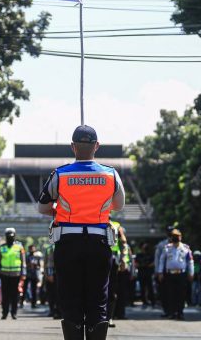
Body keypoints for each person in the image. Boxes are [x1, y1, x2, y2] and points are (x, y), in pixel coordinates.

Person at [38, 125, 126, 340]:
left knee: (70, 299)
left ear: (72, 147)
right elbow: (119, 205)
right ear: (96, 146)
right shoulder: (110, 174)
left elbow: (42, 207)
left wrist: (60, 212)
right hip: (99, 243)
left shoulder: (59, 174)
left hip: (68, 243)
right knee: (97, 299)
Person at [157, 229, 194, 320]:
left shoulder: (186, 248)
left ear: (180, 237)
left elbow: (190, 261)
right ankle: (172, 312)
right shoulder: (167, 248)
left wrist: (191, 273)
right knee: (170, 294)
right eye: (173, 236)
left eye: (177, 236)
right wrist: (160, 272)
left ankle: (180, 312)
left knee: (181, 294)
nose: (175, 238)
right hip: (170, 274)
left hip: (181, 274)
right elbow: (161, 260)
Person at [0, 227, 26, 320]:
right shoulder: (1, 247)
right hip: (4, 274)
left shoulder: (19, 247)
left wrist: (23, 273)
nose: (10, 238)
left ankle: (14, 313)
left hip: (16, 274)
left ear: (14, 236)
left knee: (14, 295)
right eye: (8, 236)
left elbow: (23, 261)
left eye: (11, 236)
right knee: (5, 295)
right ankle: (4, 313)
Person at [114, 225, 134, 321]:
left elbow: (131, 260)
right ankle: (112, 314)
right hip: (114, 270)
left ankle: (121, 313)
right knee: (112, 293)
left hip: (124, 272)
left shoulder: (126, 246)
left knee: (122, 294)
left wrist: (132, 273)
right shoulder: (113, 244)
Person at [154, 225, 175, 317]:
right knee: (165, 292)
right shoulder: (162, 244)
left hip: (174, 271)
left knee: (174, 292)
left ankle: (175, 311)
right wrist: (158, 272)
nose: (170, 233)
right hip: (163, 272)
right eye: (169, 232)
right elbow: (157, 258)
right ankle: (167, 311)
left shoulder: (179, 244)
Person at [135, 243, 155, 309]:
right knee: (142, 288)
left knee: (150, 288)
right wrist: (144, 265)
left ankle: (152, 301)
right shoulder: (139, 255)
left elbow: (153, 263)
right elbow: (136, 264)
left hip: (148, 273)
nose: (145, 248)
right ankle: (144, 301)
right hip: (141, 273)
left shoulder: (151, 255)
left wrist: (144, 265)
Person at [43, 242, 60, 319]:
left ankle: (58, 311)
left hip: (60, 273)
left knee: (58, 293)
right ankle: (53, 310)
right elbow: (48, 263)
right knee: (51, 294)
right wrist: (48, 274)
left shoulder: (64, 245)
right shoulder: (50, 248)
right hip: (52, 274)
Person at [26, 244, 42, 309]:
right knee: (24, 288)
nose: (32, 250)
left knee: (34, 290)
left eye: (33, 248)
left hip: (34, 275)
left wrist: (36, 266)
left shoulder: (37, 257)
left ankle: (34, 303)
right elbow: (24, 264)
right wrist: (29, 265)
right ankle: (21, 302)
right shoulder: (27, 256)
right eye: (31, 248)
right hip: (27, 274)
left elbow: (39, 265)